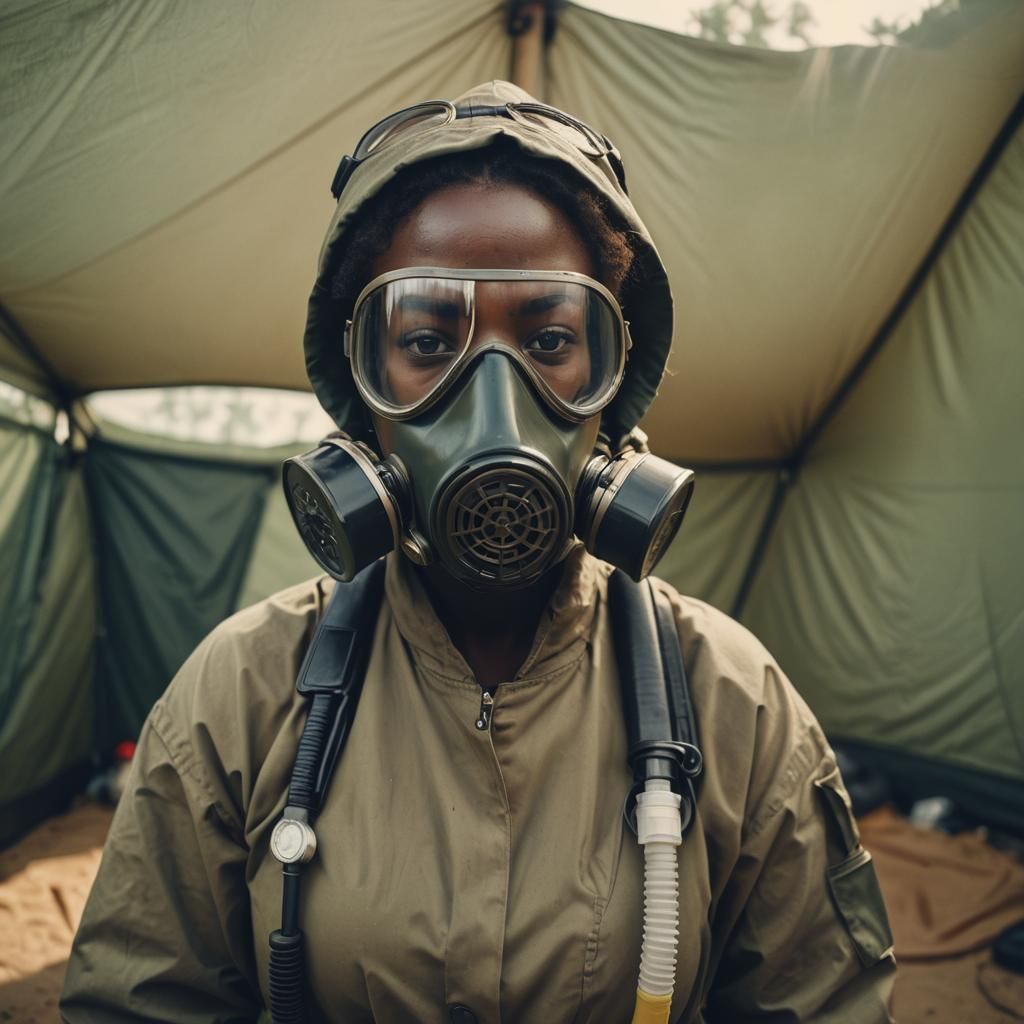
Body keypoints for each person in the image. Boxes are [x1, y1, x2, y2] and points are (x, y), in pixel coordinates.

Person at [61, 80, 895, 1023]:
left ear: (612, 386)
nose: (493, 399)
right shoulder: (243, 694)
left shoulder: (732, 702)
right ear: (359, 393)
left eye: (548, 338)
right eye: (425, 340)